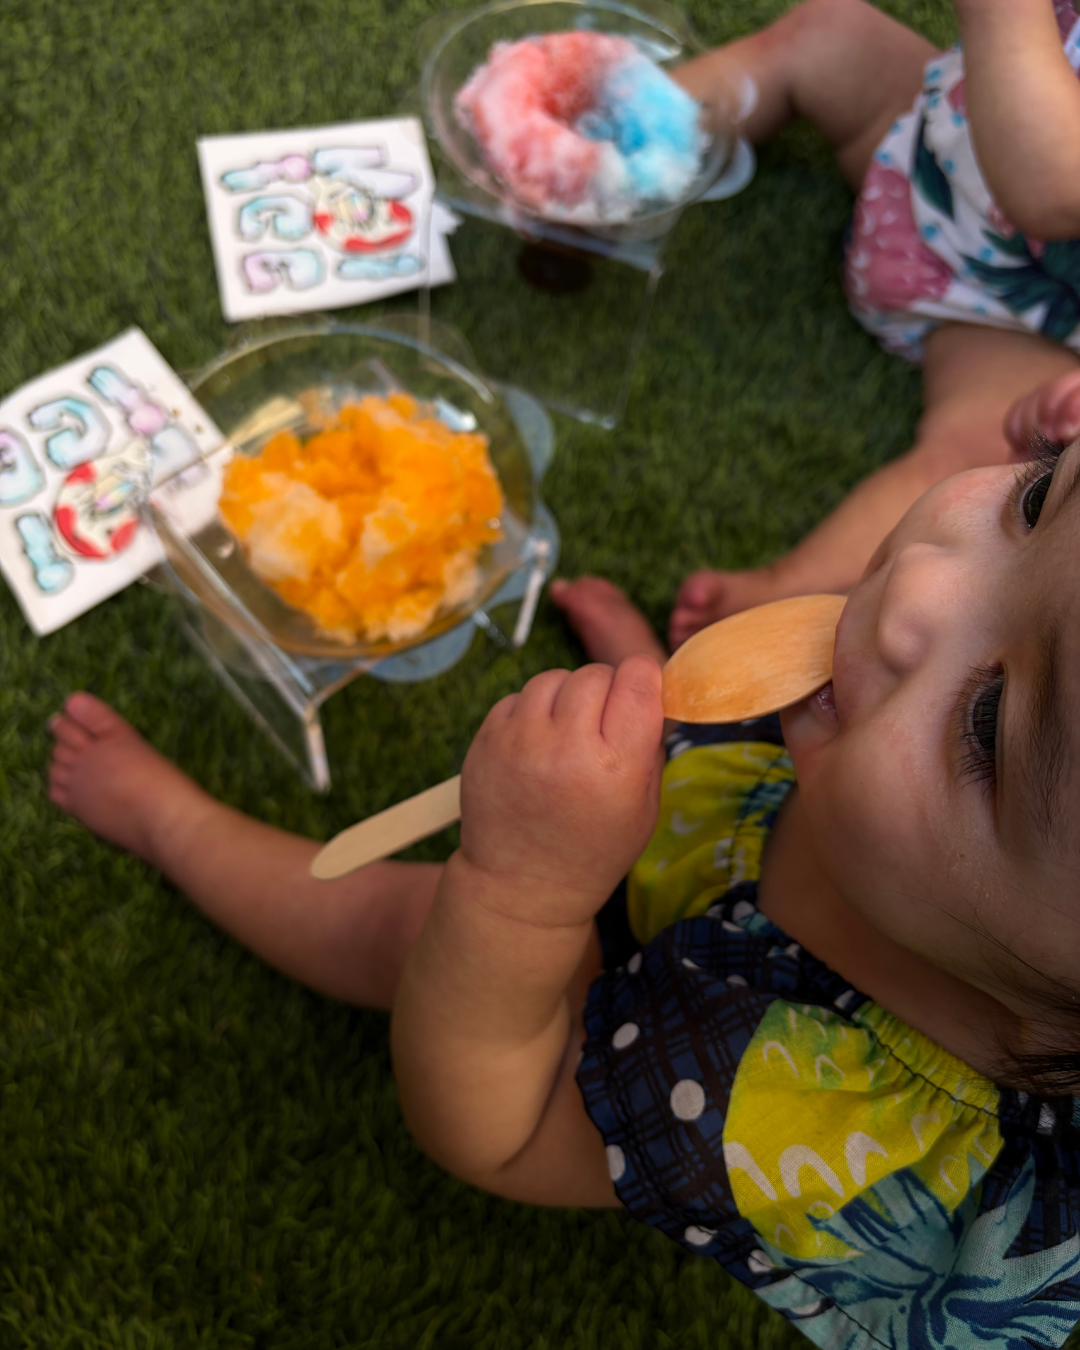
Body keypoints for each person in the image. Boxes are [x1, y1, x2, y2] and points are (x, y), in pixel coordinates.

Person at [48, 376, 1080, 1347]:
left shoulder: (797, 1120)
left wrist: (522, 891)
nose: (922, 581)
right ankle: (664, 697)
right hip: (766, 827)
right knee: (817, 694)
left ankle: (172, 827)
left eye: (990, 720)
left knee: (405, 933)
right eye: (1035, 501)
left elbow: (498, 1129)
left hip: (682, 1000)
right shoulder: (943, 848)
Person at [628, 0, 1080, 651]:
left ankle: (790, 585)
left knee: (979, 462)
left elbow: (1051, 185)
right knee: (830, 33)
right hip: (938, 145)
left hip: (1022, 312)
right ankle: (615, 152)